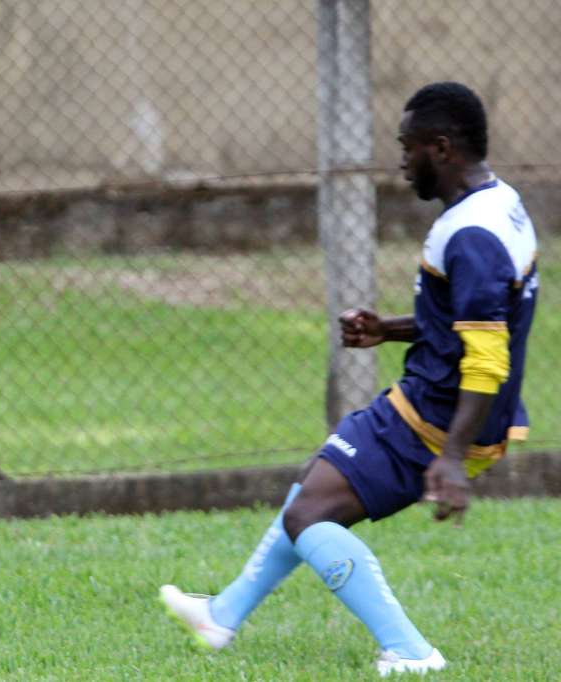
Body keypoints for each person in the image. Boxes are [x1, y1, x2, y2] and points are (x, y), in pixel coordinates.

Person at [160, 82, 537, 676]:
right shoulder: (500, 206)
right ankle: (222, 615)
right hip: (430, 402)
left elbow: (488, 356)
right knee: (317, 482)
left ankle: (411, 653)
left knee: (309, 517)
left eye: (406, 147)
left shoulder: (472, 233)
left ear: (440, 148)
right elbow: (468, 321)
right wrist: (386, 330)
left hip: (437, 416)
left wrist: (454, 457)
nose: (401, 161)